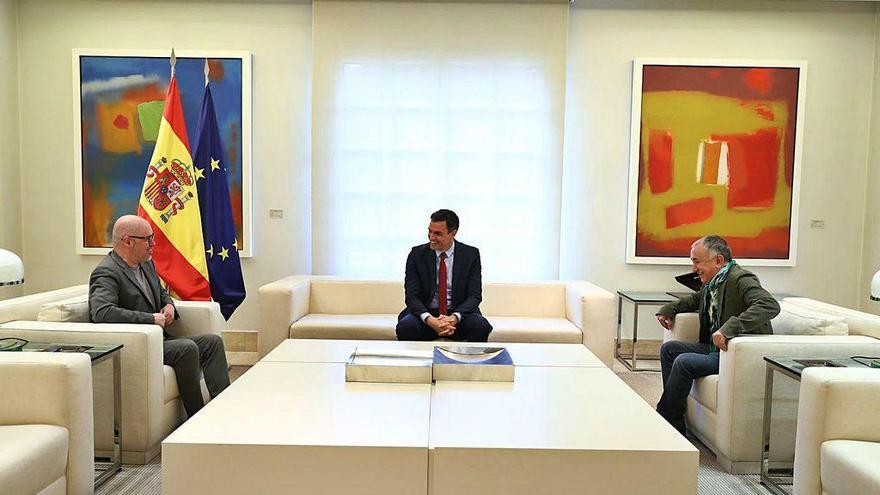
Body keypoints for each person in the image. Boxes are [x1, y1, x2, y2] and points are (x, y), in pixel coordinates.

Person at [89, 215, 230, 418]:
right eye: (148, 239)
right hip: (138, 345)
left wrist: (168, 305)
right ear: (127, 241)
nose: (153, 244)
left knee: (212, 342)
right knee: (186, 348)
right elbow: (102, 312)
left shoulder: (146, 264)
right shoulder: (106, 272)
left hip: (160, 339)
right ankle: (197, 418)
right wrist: (150, 319)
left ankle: (222, 409)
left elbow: (161, 292)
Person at [655, 235, 779, 435]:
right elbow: (696, 299)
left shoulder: (740, 278)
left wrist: (730, 328)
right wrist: (670, 308)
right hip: (715, 349)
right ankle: (675, 422)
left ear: (718, 261)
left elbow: (769, 305)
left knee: (684, 362)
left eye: (696, 261)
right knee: (669, 349)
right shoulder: (713, 282)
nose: (693, 268)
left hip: (736, 354)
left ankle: (664, 419)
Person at [396, 209, 492, 342]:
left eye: (438, 234)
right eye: (429, 231)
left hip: (458, 315)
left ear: (453, 233)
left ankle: (471, 363)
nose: (431, 237)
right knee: (406, 326)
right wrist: (430, 320)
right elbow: (412, 296)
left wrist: (454, 318)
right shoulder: (417, 254)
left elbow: (474, 296)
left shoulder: (470, 255)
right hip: (425, 314)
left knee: (481, 326)